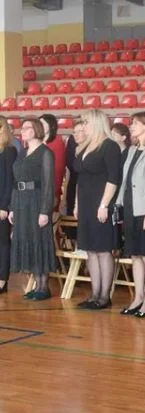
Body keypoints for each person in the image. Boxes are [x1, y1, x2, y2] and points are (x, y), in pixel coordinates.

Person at [115, 112, 145, 319]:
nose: (131, 126)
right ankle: (137, 297)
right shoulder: (131, 150)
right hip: (130, 208)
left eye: (135, 123)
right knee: (135, 255)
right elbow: (125, 180)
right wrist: (118, 203)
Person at [73, 109, 123, 310]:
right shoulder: (84, 146)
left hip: (100, 202)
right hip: (85, 203)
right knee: (90, 250)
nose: (83, 126)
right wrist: (77, 204)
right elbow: (80, 179)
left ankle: (104, 296)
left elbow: (113, 179)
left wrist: (104, 204)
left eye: (86, 122)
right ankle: (94, 293)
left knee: (103, 250)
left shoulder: (109, 146)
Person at [8, 118, 55, 300]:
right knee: (28, 239)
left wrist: (45, 211)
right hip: (21, 202)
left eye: (26, 128)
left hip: (36, 201)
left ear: (36, 130)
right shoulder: (22, 153)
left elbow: (48, 185)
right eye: (22, 128)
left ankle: (44, 286)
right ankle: (36, 284)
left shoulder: (45, 153)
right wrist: (12, 207)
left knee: (39, 240)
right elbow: (15, 182)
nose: (22, 131)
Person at [0, 117, 19, 294]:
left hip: (2, 203)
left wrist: (5, 206)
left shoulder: (9, 151)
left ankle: (2, 280)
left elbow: (9, 181)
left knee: (3, 242)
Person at [39, 114, 66, 212]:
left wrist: (54, 193)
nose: (40, 126)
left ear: (51, 126)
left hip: (50, 191)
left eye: (43, 124)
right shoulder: (37, 141)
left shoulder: (57, 142)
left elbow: (58, 170)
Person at [64, 121, 86, 218]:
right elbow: (69, 165)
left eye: (79, 131)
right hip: (73, 184)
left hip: (88, 189)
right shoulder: (72, 141)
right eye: (74, 132)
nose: (76, 134)